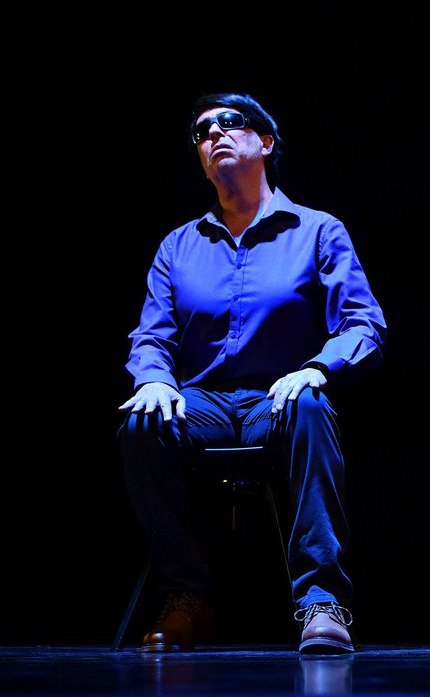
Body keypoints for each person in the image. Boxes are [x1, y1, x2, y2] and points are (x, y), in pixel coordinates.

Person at [117, 92, 387, 655]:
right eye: (201, 132)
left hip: (280, 398)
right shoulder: (177, 246)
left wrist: (317, 368)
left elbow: (364, 325)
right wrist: (154, 379)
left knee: (310, 405)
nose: (213, 134)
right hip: (203, 403)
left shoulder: (318, 230)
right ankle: (187, 597)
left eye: (228, 123)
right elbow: (151, 338)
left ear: (265, 142)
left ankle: (322, 601)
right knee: (143, 423)